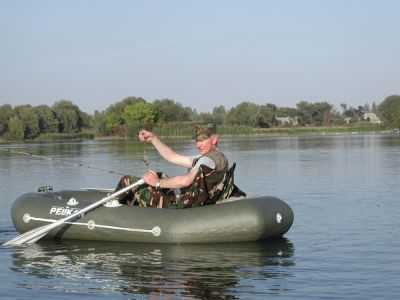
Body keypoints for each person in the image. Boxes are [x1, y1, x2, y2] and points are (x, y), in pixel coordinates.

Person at [115, 123, 240, 208]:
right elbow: (172, 157)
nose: (198, 144)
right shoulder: (217, 158)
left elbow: (184, 181)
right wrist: (153, 138)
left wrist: (157, 183)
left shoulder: (207, 160)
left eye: (202, 140)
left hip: (180, 204)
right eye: (197, 140)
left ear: (214, 139)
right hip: (195, 200)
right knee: (160, 176)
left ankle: (112, 208)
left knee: (127, 180)